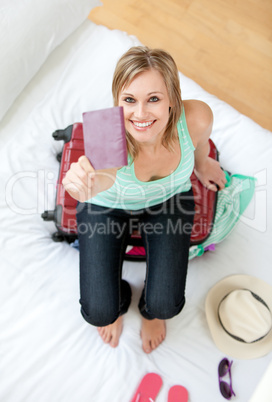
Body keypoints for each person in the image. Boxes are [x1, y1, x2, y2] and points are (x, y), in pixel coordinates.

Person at [63, 46, 227, 353]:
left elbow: (200, 144)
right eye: (129, 100)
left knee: (166, 305)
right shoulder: (105, 131)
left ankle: (149, 312)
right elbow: (102, 177)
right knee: (99, 312)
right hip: (107, 204)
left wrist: (203, 164)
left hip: (169, 201)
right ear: (117, 102)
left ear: (172, 100)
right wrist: (84, 187)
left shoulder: (196, 117)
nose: (140, 114)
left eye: (153, 98)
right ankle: (121, 298)